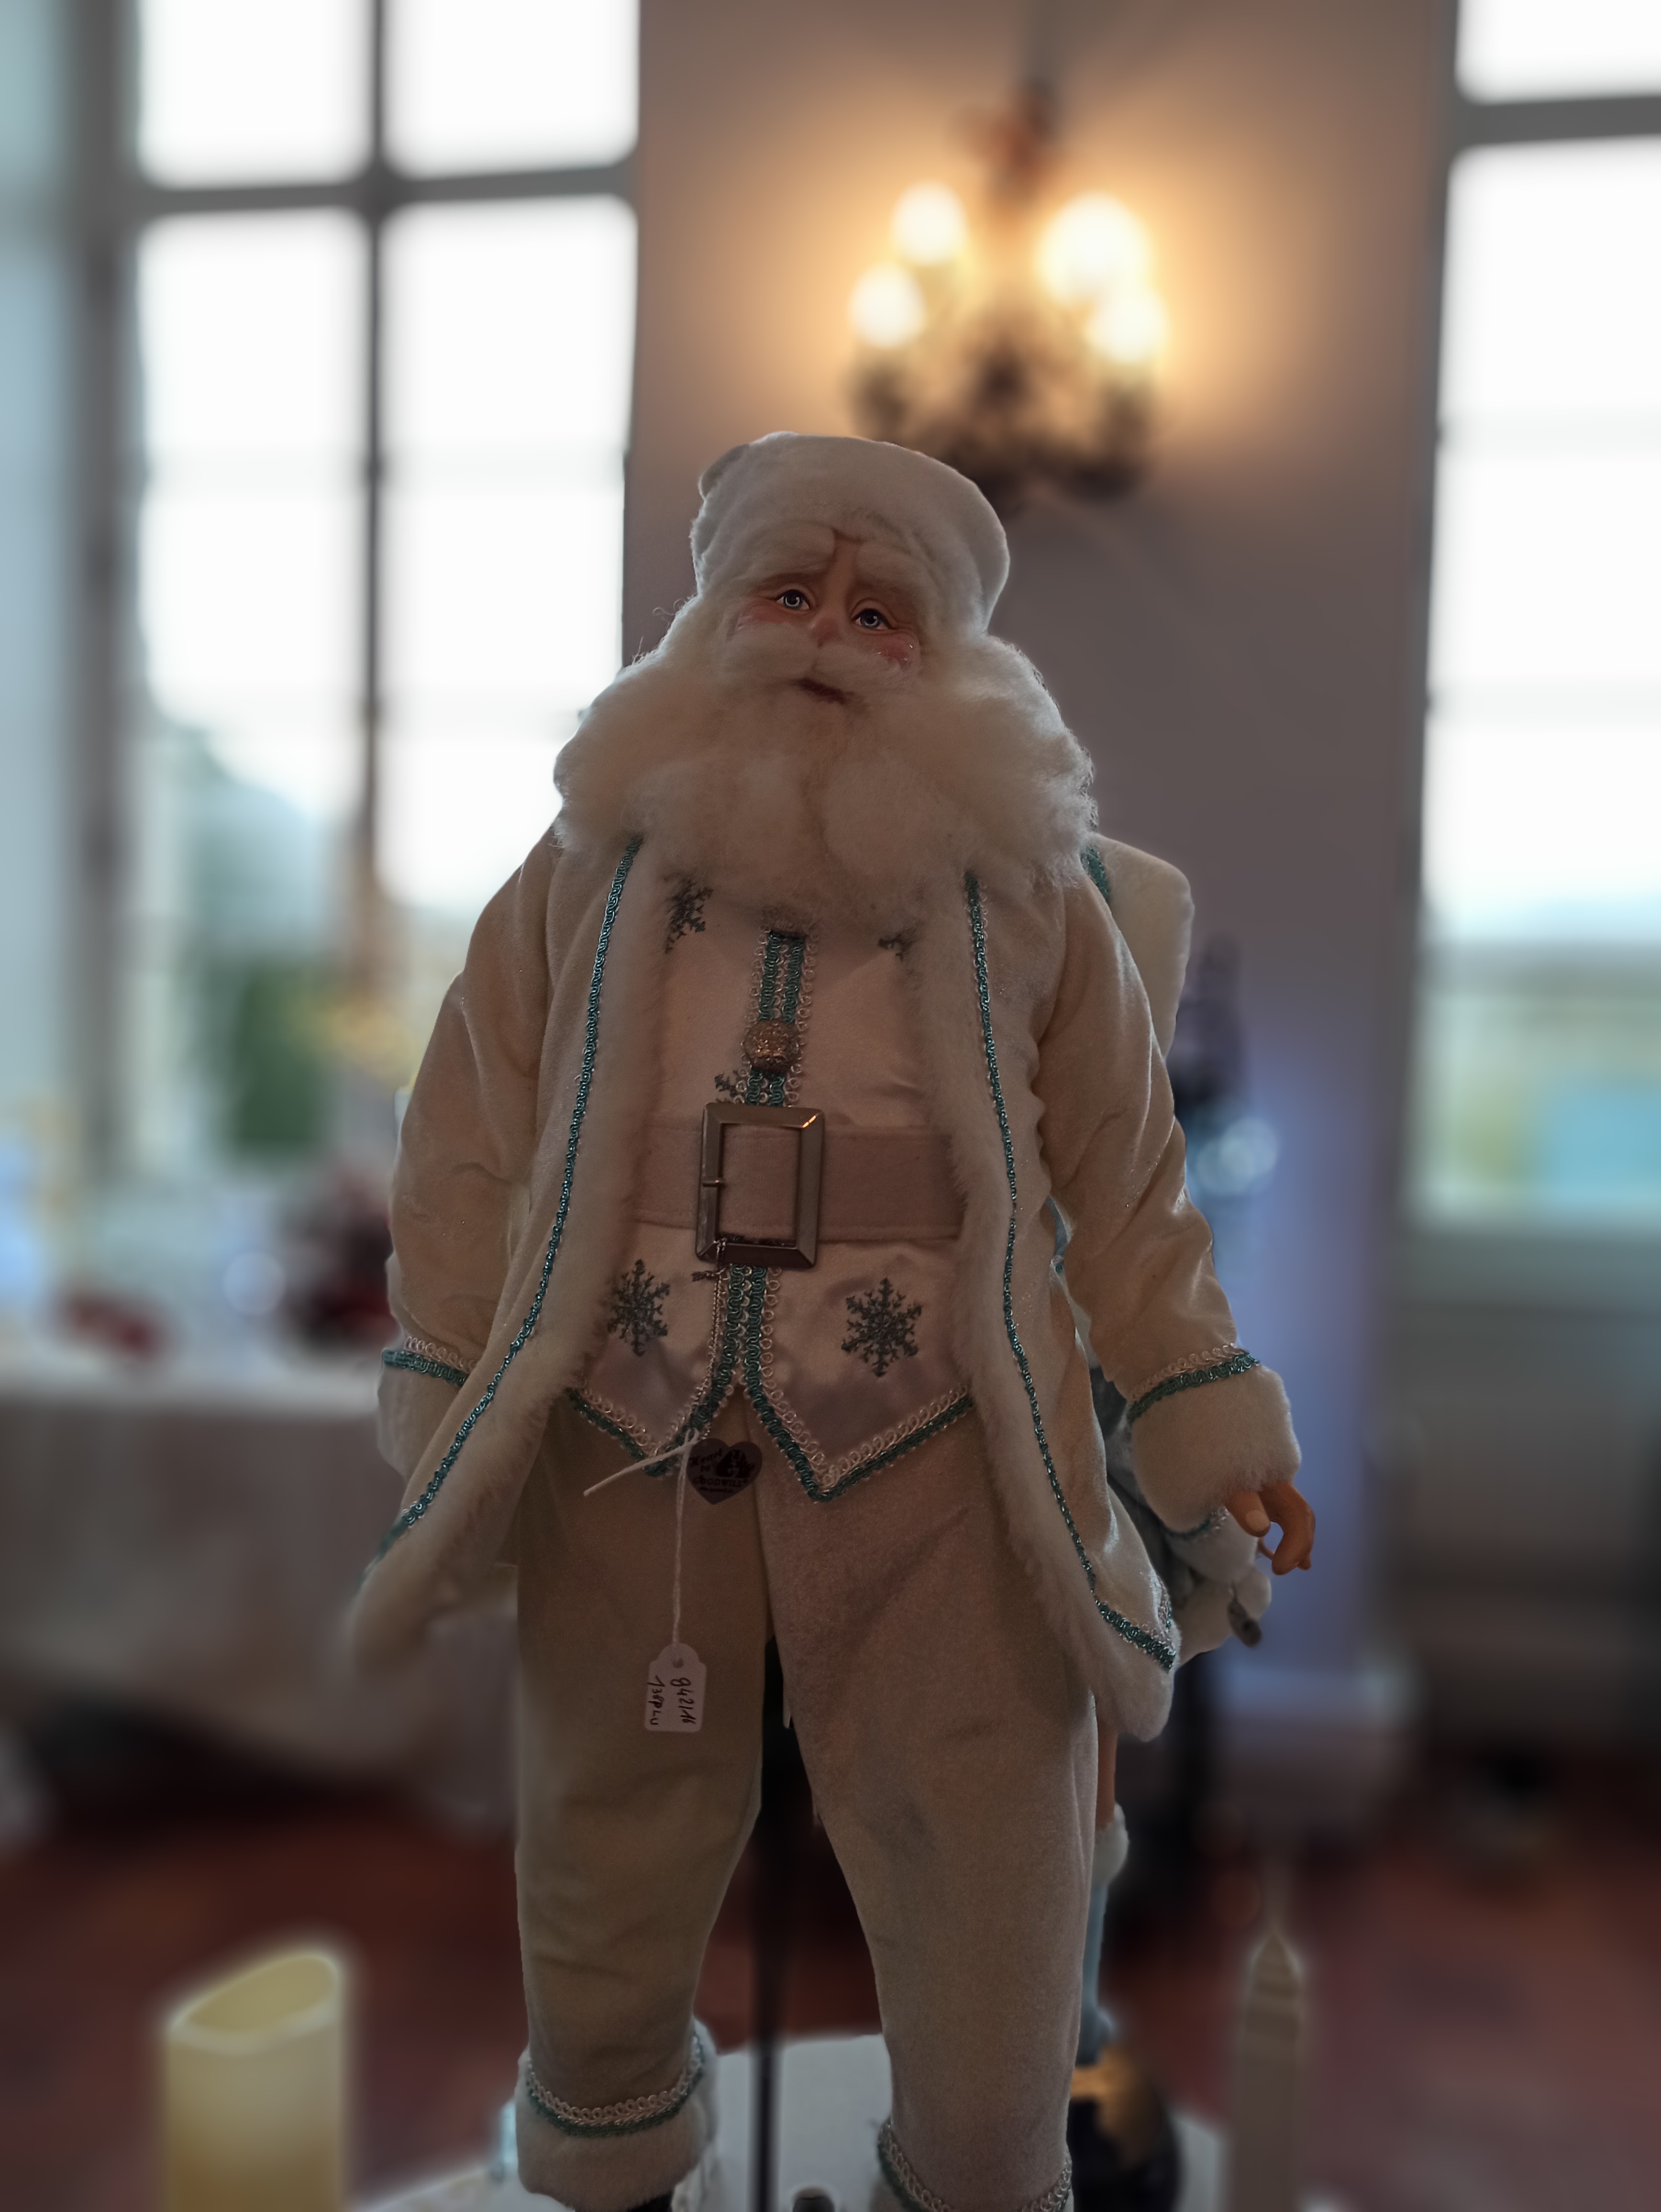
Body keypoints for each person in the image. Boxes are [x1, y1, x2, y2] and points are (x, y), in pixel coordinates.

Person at [353, 433, 1313, 2212]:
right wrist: (443, 1362)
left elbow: (1129, 1188)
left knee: (988, 1845)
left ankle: (974, 2174)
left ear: (941, 658)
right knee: (603, 1845)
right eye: (790, 593)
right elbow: (466, 1143)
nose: (826, 638)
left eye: (879, 615)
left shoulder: (1038, 901)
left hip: (936, 1441)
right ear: (718, 616)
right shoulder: (581, 875)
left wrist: (1201, 1408)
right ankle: (615, 2171)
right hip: (628, 1429)